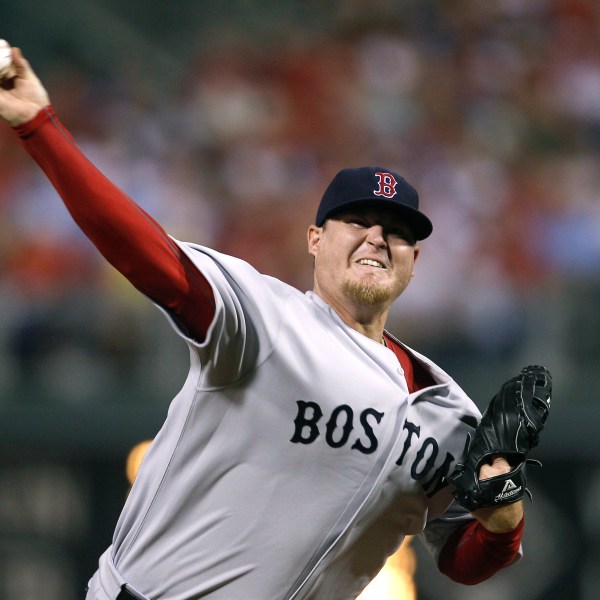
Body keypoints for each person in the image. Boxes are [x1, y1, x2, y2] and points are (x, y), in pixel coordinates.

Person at [1, 46, 526, 600]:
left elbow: (461, 561)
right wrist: (41, 125)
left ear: (414, 260)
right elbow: (146, 254)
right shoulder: (264, 319)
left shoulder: (454, 416)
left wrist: (503, 517)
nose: (377, 237)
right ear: (315, 239)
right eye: (357, 220)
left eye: (397, 230)